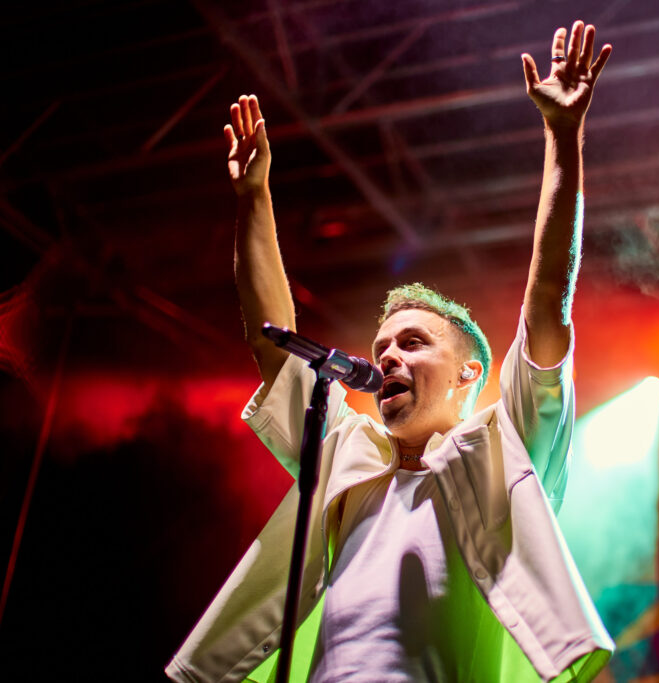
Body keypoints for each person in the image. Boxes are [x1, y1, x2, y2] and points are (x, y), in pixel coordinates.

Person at [167, 21, 613, 683]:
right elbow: (270, 339)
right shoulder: (348, 450)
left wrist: (563, 136)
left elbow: (548, 299)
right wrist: (254, 197)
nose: (388, 358)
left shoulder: (503, 447)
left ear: (469, 372)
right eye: (381, 347)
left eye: (413, 342)